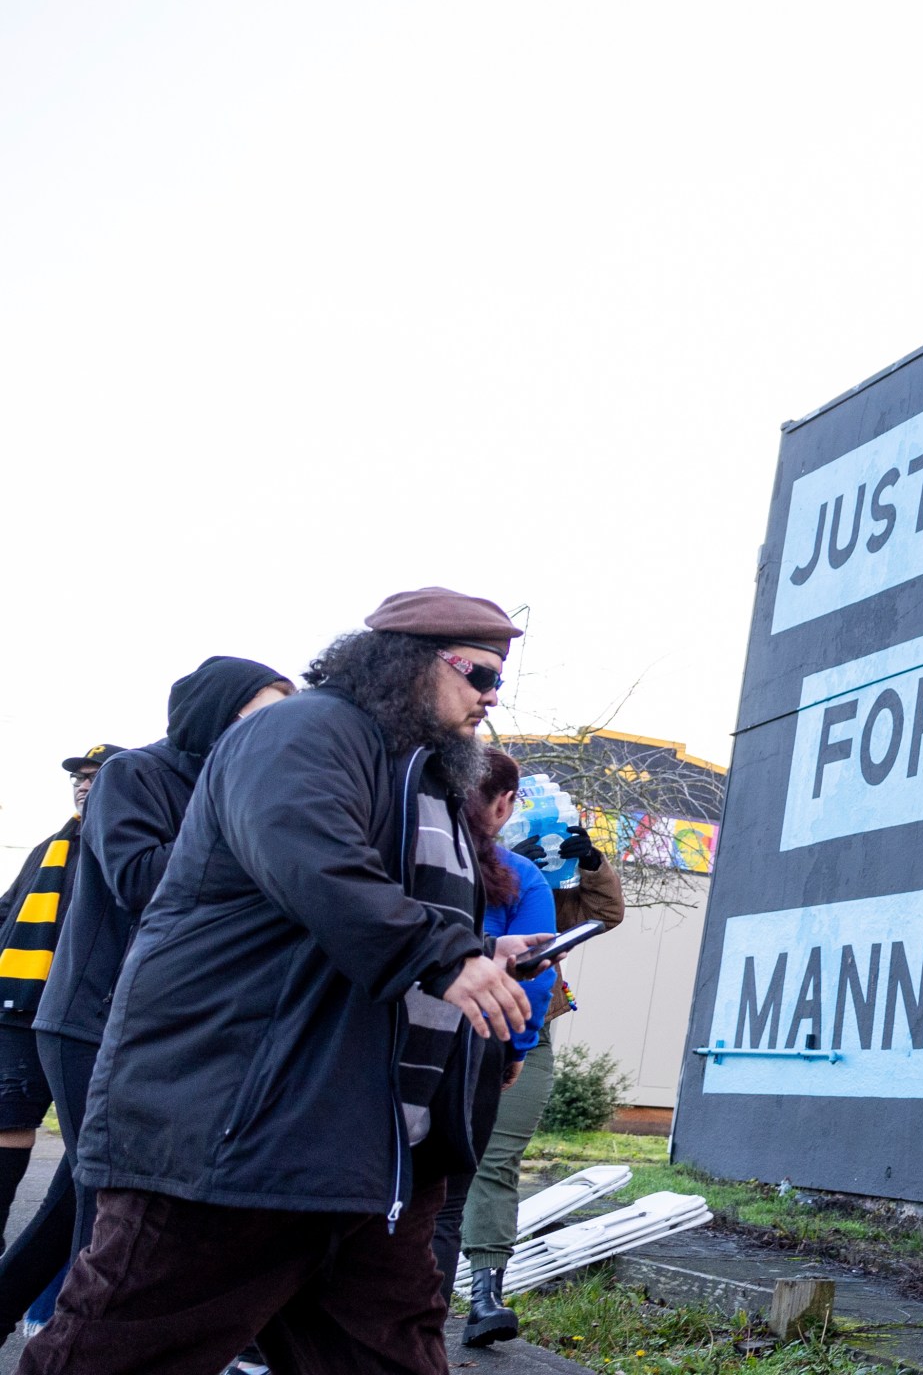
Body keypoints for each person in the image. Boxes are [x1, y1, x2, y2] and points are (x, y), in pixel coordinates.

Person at [21, 588, 554, 1375]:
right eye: (477, 672)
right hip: (240, 1133)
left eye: (501, 678)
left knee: (385, 1358)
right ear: (405, 662)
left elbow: (382, 914)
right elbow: (311, 860)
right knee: (119, 1351)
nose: (491, 695)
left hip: (370, 1156)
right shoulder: (303, 731)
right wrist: (444, 957)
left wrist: (484, 957)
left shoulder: (424, 775)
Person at [0, 662, 292, 1342]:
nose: (278, 735)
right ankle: (78, 1347)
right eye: (263, 717)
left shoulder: (246, 786)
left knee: (86, 1191)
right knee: (110, 1200)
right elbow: (138, 878)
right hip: (92, 1019)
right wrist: (248, 837)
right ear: (215, 712)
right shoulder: (138, 775)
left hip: (173, 1022)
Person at [439, 749, 558, 1346]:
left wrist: (516, 1046)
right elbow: (536, 968)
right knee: (461, 1174)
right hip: (484, 1041)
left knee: (485, 1164)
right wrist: (516, 1045)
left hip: (498, 1041)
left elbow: (537, 971)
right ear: (505, 804)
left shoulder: (523, 873)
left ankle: (484, 1292)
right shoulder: (440, 862)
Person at [0, 747, 121, 1231]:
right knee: (8, 1118)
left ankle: (58, 1280)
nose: (83, 784)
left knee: (89, 1143)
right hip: (21, 1007)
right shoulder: (50, 846)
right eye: (79, 778)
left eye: (95, 777)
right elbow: (8, 912)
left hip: (90, 1015)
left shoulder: (131, 839)